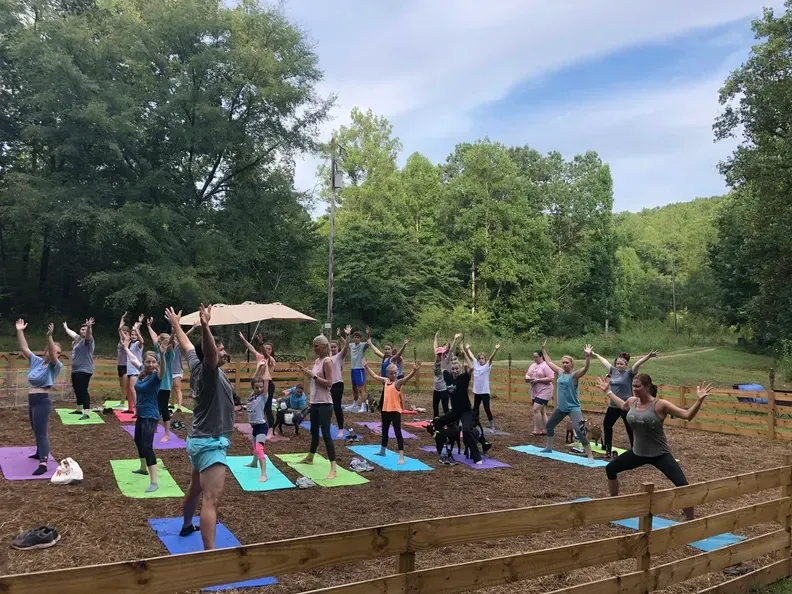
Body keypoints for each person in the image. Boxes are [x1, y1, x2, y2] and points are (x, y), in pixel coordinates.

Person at [166, 304, 235, 551]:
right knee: (210, 500)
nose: (224, 352)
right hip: (210, 442)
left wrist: (176, 325)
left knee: (195, 488)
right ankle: (210, 555)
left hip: (197, 439)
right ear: (212, 352)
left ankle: (186, 524)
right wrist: (205, 327)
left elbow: (186, 345)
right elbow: (209, 353)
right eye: (221, 348)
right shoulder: (208, 370)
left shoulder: (195, 364)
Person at [596, 374, 712, 520]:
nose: (634, 389)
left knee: (682, 485)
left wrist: (699, 400)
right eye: (633, 386)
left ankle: (690, 519)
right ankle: (614, 503)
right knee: (610, 468)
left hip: (659, 454)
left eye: (638, 386)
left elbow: (687, 415)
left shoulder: (660, 405)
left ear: (647, 387)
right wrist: (607, 391)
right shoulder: (632, 402)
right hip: (637, 453)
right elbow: (621, 405)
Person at [122, 335, 170, 493]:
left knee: (147, 446)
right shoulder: (142, 373)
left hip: (150, 416)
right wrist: (126, 348)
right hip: (141, 415)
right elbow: (133, 358)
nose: (151, 364)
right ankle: (143, 468)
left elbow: (163, 370)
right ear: (144, 363)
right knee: (138, 441)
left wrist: (162, 355)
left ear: (156, 363)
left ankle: (154, 481)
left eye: (153, 362)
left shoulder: (156, 377)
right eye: (148, 361)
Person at [427, 334, 484, 465]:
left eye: (457, 368)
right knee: (436, 423)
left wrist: (464, 351)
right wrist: (443, 354)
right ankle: (442, 448)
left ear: (459, 369)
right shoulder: (448, 377)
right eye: (453, 369)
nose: (455, 370)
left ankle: (477, 457)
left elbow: (471, 368)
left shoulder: (464, 378)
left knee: (466, 431)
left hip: (465, 411)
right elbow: (442, 366)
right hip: (455, 411)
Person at [591, 349, 658, 458]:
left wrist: (648, 356)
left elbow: (637, 364)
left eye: (621, 364)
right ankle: (608, 449)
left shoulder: (629, 374)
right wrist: (596, 354)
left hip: (626, 406)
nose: (618, 365)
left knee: (630, 427)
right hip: (613, 405)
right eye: (617, 363)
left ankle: (635, 450)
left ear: (626, 365)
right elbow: (605, 362)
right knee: (607, 425)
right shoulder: (613, 371)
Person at [16, 320, 62, 476]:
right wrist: (20, 331)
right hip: (32, 400)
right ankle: (38, 452)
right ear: (46, 351)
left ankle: (43, 462)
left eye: (58, 352)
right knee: (35, 429)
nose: (55, 353)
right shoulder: (36, 361)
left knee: (42, 433)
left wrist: (50, 336)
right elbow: (24, 348)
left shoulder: (56, 366)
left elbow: (54, 357)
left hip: (42, 400)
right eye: (53, 350)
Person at [540, 343, 596, 463]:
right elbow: (549, 363)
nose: (564, 364)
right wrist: (543, 350)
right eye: (563, 362)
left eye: (567, 362)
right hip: (561, 408)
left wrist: (587, 356)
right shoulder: (560, 372)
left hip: (573, 408)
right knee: (549, 425)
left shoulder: (574, 376)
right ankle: (548, 448)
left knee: (580, 431)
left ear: (572, 364)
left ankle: (590, 455)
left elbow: (586, 368)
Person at [364, 360, 421, 464]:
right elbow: (375, 376)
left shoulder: (397, 383)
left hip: (395, 411)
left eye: (395, 373)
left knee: (397, 432)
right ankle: (382, 451)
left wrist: (414, 371)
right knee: (384, 432)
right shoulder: (386, 381)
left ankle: (401, 456)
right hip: (385, 410)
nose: (394, 375)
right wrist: (367, 367)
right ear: (387, 374)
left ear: (397, 372)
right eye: (391, 373)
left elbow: (406, 379)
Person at [298, 335, 337, 480]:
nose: (314, 348)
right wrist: (309, 374)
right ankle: (310, 456)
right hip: (315, 402)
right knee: (314, 431)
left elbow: (329, 383)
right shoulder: (317, 361)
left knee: (325, 434)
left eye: (316, 346)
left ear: (323, 346)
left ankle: (333, 467)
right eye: (313, 345)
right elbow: (314, 379)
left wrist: (313, 376)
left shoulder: (327, 361)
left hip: (325, 404)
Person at [238, 332, 277, 434]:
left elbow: (265, 353)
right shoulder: (259, 357)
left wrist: (261, 343)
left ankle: (271, 431)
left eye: (269, 349)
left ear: (272, 351)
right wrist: (243, 339)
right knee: (256, 405)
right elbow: (251, 348)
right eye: (266, 348)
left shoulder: (271, 360)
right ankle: (259, 426)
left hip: (268, 385)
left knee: (267, 407)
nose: (267, 350)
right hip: (258, 384)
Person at [146, 318, 176, 442]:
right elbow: (153, 337)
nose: (158, 343)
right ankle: (154, 428)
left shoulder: (169, 354)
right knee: (155, 406)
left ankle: (167, 434)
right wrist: (148, 326)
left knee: (163, 408)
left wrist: (174, 331)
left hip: (165, 386)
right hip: (156, 384)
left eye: (161, 341)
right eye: (158, 341)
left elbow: (170, 342)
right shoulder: (158, 350)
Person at [63, 318, 95, 420]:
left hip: (85, 370)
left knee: (83, 390)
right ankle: (78, 409)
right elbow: (72, 333)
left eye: (85, 330)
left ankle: (86, 413)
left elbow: (89, 335)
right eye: (82, 329)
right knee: (77, 389)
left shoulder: (88, 341)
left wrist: (89, 326)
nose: (83, 331)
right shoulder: (78, 339)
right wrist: (66, 327)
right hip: (76, 370)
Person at [465, 341, 500, 431]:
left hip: (484, 392)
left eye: (482, 358)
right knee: (475, 409)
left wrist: (495, 350)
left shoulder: (487, 366)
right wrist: (468, 349)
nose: (481, 360)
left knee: (487, 408)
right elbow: (472, 356)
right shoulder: (476, 364)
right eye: (479, 358)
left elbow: (491, 358)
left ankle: (492, 426)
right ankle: (474, 423)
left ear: (485, 359)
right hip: (477, 392)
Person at [369, 336, 409, 411]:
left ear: (391, 350)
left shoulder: (392, 358)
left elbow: (399, 354)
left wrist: (404, 345)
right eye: (386, 349)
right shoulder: (384, 357)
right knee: (385, 395)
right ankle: (383, 406)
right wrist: (370, 343)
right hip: (385, 380)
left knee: (398, 393)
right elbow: (376, 351)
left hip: (394, 379)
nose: (387, 351)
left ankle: (402, 408)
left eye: (388, 349)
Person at [244, 367, 270, 482]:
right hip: (254, 427)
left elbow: (267, 381)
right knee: (254, 447)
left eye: (261, 387)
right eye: (256, 387)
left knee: (259, 449)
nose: (259, 389)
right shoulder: (252, 396)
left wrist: (267, 369)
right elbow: (253, 379)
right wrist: (259, 368)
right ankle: (254, 463)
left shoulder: (262, 397)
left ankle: (264, 474)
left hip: (261, 427)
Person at [171, 322, 199, 413]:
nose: (175, 338)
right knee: (169, 389)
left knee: (177, 388)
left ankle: (179, 407)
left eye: (176, 336)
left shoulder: (178, 346)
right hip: (168, 372)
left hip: (177, 371)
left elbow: (185, 336)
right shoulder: (167, 346)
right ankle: (171, 404)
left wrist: (193, 328)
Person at [526, 350, 554, 436]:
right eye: (533, 357)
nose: (534, 359)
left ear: (541, 356)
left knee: (536, 409)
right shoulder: (533, 365)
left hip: (545, 391)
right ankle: (547, 429)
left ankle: (537, 430)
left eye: (536, 357)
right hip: (535, 391)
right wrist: (527, 378)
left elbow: (551, 378)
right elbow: (527, 374)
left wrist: (538, 380)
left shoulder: (546, 365)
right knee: (542, 411)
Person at [329, 325, 351, 431]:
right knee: (327, 406)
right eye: (331, 347)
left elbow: (346, 347)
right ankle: (325, 424)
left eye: (334, 347)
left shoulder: (339, 356)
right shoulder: (328, 358)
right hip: (328, 385)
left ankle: (341, 428)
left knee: (337, 407)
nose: (333, 349)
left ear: (337, 348)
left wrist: (347, 336)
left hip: (337, 384)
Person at [122, 314, 145, 414]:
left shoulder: (137, 345)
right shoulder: (129, 344)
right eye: (132, 335)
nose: (133, 336)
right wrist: (120, 329)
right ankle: (130, 409)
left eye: (135, 335)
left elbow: (142, 340)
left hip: (136, 370)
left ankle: (137, 410)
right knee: (128, 389)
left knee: (133, 389)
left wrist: (137, 328)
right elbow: (124, 336)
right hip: (129, 370)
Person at [347, 329, 370, 412]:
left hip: (360, 369)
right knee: (354, 387)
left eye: (357, 337)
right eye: (355, 337)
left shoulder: (362, 345)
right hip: (353, 369)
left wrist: (368, 334)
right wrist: (340, 336)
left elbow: (368, 343)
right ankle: (355, 403)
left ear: (360, 338)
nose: (356, 339)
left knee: (361, 388)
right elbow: (345, 343)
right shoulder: (352, 345)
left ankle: (363, 406)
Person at [431, 332, 451, 418]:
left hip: (444, 389)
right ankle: (436, 422)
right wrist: (435, 337)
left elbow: (450, 348)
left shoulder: (445, 361)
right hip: (436, 389)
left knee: (445, 408)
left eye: (440, 354)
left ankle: (448, 424)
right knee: (435, 407)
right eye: (438, 354)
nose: (439, 355)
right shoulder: (436, 361)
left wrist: (451, 341)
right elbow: (434, 347)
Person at [117, 313, 131, 408]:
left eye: (126, 333)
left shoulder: (128, 341)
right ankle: (124, 400)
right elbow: (119, 329)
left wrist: (120, 329)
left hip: (127, 366)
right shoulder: (121, 340)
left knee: (126, 387)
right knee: (122, 386)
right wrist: (122, 318)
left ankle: (123, 403)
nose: (123, 334)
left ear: (129, 334)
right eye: (123, 332)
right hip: (120, 365)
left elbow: (120, 330)